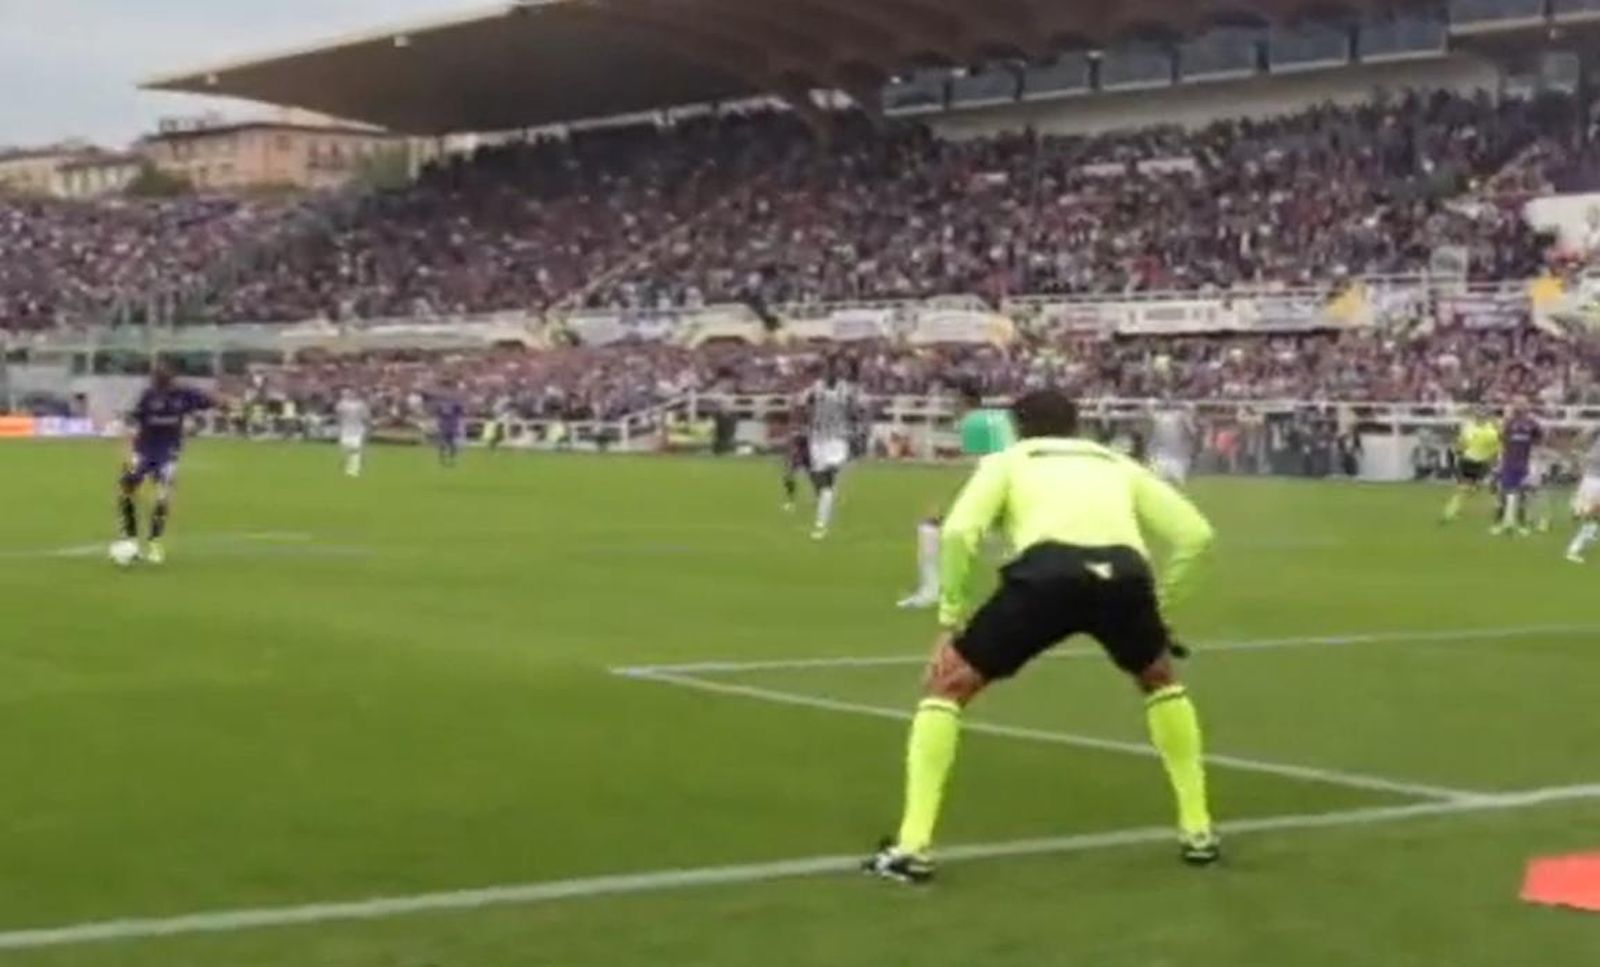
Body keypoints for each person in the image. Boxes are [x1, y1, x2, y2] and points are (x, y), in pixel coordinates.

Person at [862, 390, 1219, 885]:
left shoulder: (1009, 461)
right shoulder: (1117, 462)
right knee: (1160, 680)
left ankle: (912, 846)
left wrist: (949, 620)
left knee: (946, 688)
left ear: (1018, 428)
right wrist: (1160, 608)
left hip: (1048, 574)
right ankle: (1198, 830)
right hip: (1124, 574)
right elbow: (1196, 534)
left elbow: (960, 532)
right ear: (1076, 426)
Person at [898, 381, 1016, 610]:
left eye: (955, 400)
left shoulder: (976, 425)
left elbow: (983, 467)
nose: (952, 405)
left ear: (967, 402)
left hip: (993, 498)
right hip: (1000, 497)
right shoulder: (988, 423)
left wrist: (946, 502)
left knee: (929, 528)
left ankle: (931, 591)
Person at [114, 362, 218, 565]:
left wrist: (222, 400)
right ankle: (131, 540)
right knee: (127, 489)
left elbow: (210, 401)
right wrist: (127, 446)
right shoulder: (148, 396)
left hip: (167, 454)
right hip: (142, 451)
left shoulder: (184, 394)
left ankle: (154, 543)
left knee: (162, 497)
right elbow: (134, 421)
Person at [800, 358, 859, 540]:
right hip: (818, 440)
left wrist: (854, 432)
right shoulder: (816, 388)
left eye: (834, 370)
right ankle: (824, 503)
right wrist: (806, 422)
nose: (830, 374)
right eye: (828, 370)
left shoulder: (845, 390)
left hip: (837, 440)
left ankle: (821, 524)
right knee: (819, 481)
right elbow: (804, 404)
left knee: (828, 481)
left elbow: (853, 411)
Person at [1441, 407, 1500, 524]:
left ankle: (1451, 511)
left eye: (1482, 416)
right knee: (1468, 488)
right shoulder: (1484, 430)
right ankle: (1450, 512)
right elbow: (1462, 445)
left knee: (1474, 488)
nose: (1480, 418)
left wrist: (1493, 460)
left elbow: (1495, 448)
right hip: (1471, 461)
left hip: (1479, 462)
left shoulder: (1487, 430)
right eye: (1479, 416)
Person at [1492, 403, 1543, 537]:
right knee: (1503, 494)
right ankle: (1499, 523)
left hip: (1523, 464)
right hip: (1509, 463)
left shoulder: (1532, 424)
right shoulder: (1508, 424)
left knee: (1523, 495)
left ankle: (1521, 524)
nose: (1520, 410)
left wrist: (1531, 448)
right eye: (1518, 408)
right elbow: (1501, 438)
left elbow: (1539, 438)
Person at [1565, 430, 1600, 563]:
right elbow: (1583, 438)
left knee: (1593, 515)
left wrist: (1579, 453)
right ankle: (1574, 549)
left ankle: (1587, 531)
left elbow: (1583, 437)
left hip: (1591, 479)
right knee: (1592, 516)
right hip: (1595, 481)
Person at [1147, 398, 1198, 487]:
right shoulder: (1160, 416)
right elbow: (1149, 410)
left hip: (1177, 456)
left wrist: (1190, 407)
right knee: (1160, 482)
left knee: (1178, 484)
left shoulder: (1180, 415)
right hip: (1163, 455)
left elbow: (1192, 428)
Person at [335, 388, 370, 478]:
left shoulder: (361, 404)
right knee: (345, 448)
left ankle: (353, 471)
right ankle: (347, 464)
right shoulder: (342, 404)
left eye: (353, 393)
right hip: (345, 430)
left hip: (357, 430)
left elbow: (365, 416)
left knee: (355, 450)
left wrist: (366, 426)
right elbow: (338, 415)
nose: (351, 394)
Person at [433, 389, 467, 468]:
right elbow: (438, 413)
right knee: (443, 442)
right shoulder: (441, 404)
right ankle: (443, 459)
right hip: (445, 424)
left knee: (451, 443)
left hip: (452, 424)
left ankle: (451, 459)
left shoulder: (455, 403)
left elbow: (461, 412)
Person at [780, 429, 809, 513]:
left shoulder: (803, 451)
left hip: (806, 464)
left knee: (789, 477)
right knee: (788, 477)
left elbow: (796, 460)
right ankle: (791, 500)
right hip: (802, 464)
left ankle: (791, 501)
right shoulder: (799, 450)